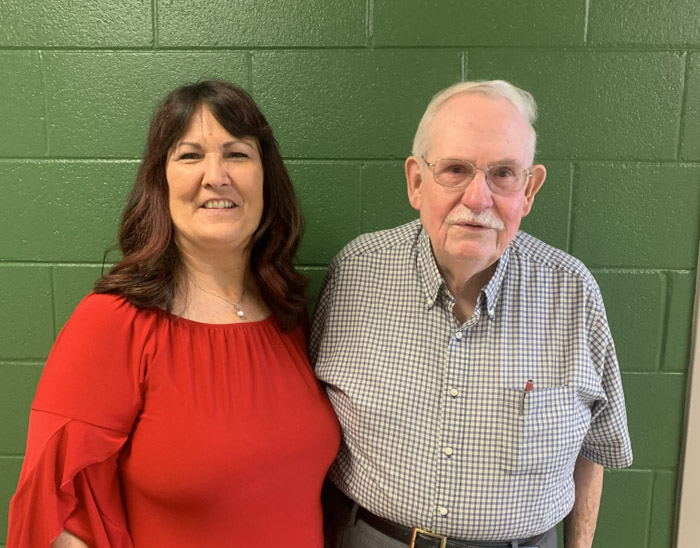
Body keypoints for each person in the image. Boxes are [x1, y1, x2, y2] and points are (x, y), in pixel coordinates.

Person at [8, 80, 340, 547]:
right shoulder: (113, 322)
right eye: (189, 156)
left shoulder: (289, 315)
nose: (215, 175)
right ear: (160, 182)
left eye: (237, 154)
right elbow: (58, 511)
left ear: (267, 178)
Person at [311, 80, 632, 548]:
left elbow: (594, 448)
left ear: (529, 189)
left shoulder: (572, 292)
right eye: (455, 170)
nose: (478, 198)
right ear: (416, 182)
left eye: (503, 173)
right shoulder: (355, 274)